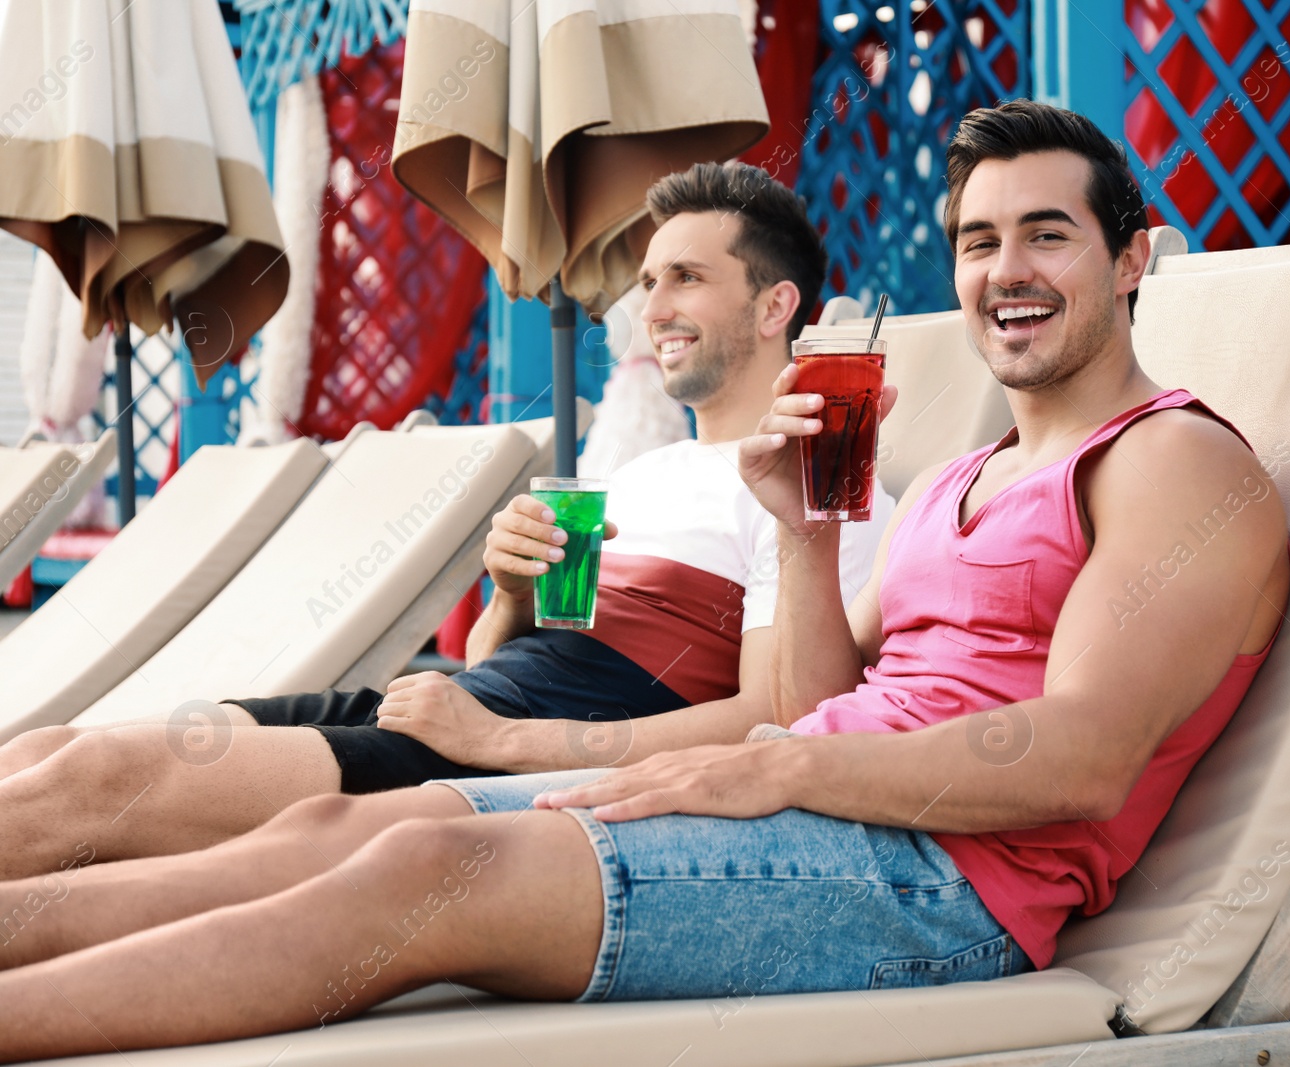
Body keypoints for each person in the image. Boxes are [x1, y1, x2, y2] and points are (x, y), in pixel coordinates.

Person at [0, 101, 1290, 1061]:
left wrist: (786, 766)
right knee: (349, 829)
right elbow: (815, 697)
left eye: (1047, 235)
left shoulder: (1177, 465)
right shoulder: (963, 479)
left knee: (416, 881)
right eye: (977, 241)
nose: (1004, 270)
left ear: (1133, 259)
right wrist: (796, 532)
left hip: (951, 880)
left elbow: (1082, 758)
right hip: (824, 806)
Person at [0, 162, 891, 879]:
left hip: (502, 762)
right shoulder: (643, 473)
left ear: (776, 306)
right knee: (50, 748)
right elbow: (503, 659)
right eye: (649, 281)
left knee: (98, 783)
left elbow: (780, 719)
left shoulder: (817, 488)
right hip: (458, 712)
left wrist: (505, 743)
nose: (652, 309)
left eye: (687, 279)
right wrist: (508, 592)